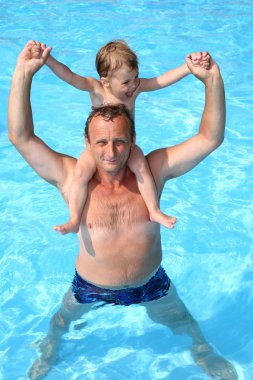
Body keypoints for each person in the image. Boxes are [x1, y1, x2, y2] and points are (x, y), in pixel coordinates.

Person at [8, 41, 237, 380]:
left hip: (152, 283)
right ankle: (49, 351)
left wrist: (211, 80)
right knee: (59, 325)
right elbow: (21, 137)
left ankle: (203, 354)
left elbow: (210, 138)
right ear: (88, 144)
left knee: (188, 327)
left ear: (133, 142)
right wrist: (23, 74)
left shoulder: (153, 170)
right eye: (101, 142)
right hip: (88, 286)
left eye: (119, 142)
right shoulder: (73, 178)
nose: (111, 152)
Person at [46, 40, 210, 234]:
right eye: (126, 82)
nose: (133, 85)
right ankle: (74, 219)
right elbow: (70, 76)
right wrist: (48, 59)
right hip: (100, 149)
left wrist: (188, 67)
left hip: (127, 147)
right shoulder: (96, 88)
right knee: (81, 174)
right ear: (106, 80)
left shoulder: (136, 89)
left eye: (135, 78)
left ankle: (153, 210)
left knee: (142, 167)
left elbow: (161, 80)